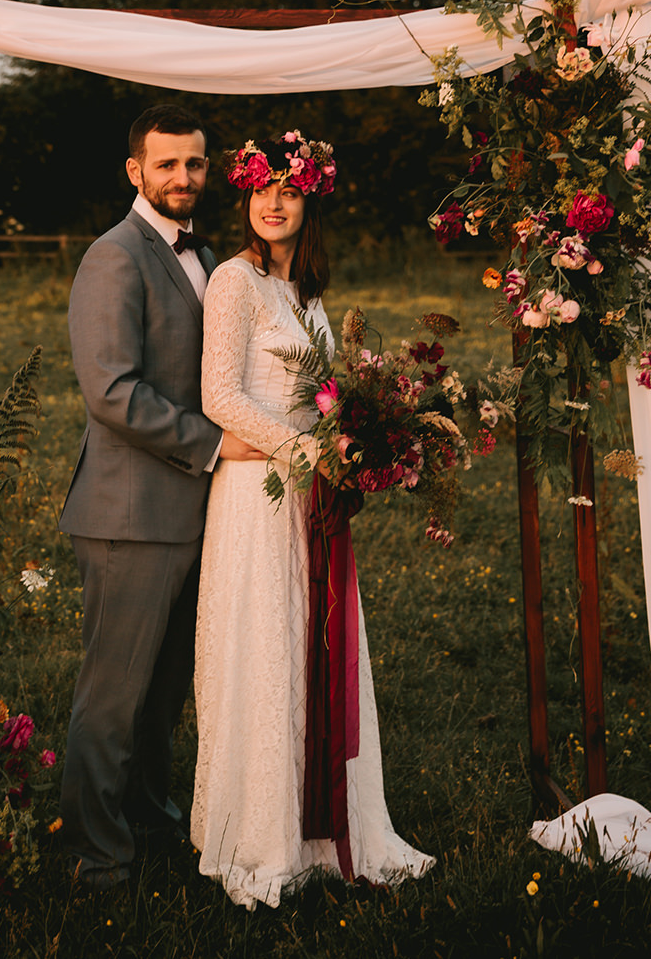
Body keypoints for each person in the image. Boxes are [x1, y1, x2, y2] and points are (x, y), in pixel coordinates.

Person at [191, 128, 434, 909]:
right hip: (257, 495)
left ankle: (325, 828)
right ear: (245, 196)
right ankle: (261, 833)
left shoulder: (308, 294)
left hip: (312, 496)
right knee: (266, 651)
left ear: (310, 202)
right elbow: (219, 396)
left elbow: (326, 395)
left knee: (311, 647)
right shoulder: (233, 281)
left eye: (289, 191)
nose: (273, 202)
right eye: (262, 189)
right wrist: (310, 452)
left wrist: (360, 441)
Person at [59, 104, 265, 887]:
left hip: (192, 511)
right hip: (130, 513)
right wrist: (216, 444)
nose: (184, 176)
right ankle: (95, 851)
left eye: (196, 163)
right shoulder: (114, 257)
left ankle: (148, 812)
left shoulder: (204, 254)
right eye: (168, 163)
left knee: (165, 687)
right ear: (135, 171)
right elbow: (112, 390)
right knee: (114, 693)